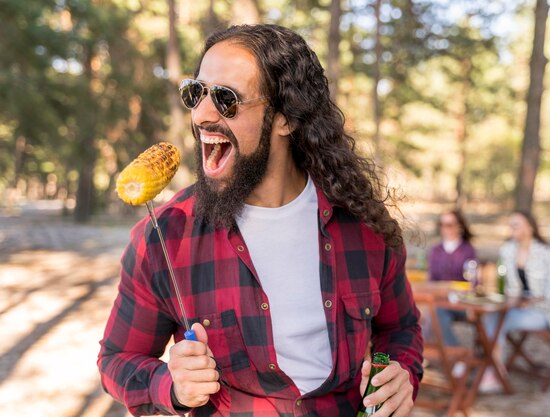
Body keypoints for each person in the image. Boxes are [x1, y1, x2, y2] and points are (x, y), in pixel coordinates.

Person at [97, 24, 423, 417]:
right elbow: (117, 359)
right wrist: (172, 385)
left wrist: (400, 372)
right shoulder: (166, 235)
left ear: (285, 118)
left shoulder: (363, 224)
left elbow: (400, 329)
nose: (201, 115)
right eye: (195, 93)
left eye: (225, 98)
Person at [480, 210, 550, 392]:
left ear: (529, 228)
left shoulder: (545, 254)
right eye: (510, 224)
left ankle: (494, 371)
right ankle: (496, 369)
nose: (511, 228)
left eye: (516, 224)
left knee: (498, 320)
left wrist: (531, 301)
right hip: (516, 308)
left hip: (545, 312)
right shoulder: (507, 251)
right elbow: (505, 286)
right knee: (489, 317)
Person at [427, 210, 477, 347]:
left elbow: (473, 281)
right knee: (434, 312)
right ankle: (451, 355)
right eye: (442, 224)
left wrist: (455, 289)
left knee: (434, 313)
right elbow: (432, 280)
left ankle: (455, 357)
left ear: (459, 226)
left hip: (462, 303)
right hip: (440, 301)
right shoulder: (435, 250)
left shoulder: (467, 250)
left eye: (450, 224)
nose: (446, 228)